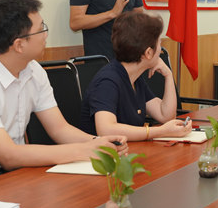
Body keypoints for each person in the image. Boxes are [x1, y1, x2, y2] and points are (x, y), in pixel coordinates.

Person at [0, 0, 128, 175]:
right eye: (41, 29)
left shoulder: (33, 69)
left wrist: (99, 142)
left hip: (19, 170)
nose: (46, 35)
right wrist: (83, 151)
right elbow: (8, 156)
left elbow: (60, 129)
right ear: (19, 45)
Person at [78, 11, 192, 141]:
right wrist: (160, 131)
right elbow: (106, 130)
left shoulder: (135, 78)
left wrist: (168, 75)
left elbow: (165, 115)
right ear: (148, 53)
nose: (161, 49)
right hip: (102, 153)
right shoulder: (108, 81)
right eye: (159, 43)